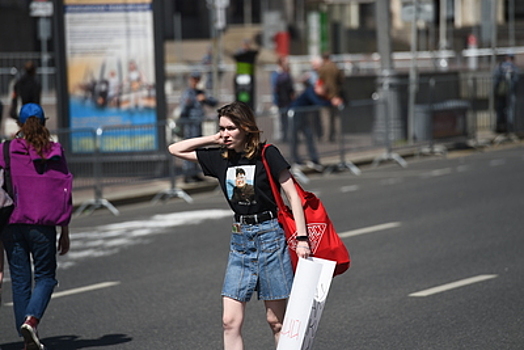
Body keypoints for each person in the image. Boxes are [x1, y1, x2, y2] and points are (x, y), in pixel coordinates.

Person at [168, 101, 310, 350]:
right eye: (222, 128)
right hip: (240, 241)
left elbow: (292, 195)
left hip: (270, 238)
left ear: (246, 127)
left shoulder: (267, 154)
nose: (225, 133)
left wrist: (302, 239)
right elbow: (175, 148)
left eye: (231, 128)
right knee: (229, 321)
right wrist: (214, 137)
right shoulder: (220, 158)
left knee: (276, 321)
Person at [0, 103, 72, 350]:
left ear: (20, 124)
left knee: (20, 281)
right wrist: (65, 230)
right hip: (43, 224)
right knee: (46, 277)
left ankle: (26, 338)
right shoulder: (54, 150)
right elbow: (64, 190)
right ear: (44, 122)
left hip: (10, 221)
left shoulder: (7, 149)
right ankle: (31, 321)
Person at [179, 71, 218, 183]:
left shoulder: (200, 92)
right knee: (189, 146)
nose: (196, 81)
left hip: (197, 123)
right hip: (189, 124)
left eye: (197, 79)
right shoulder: (188, 93)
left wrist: (204, 98)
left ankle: (194, 172)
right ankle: (188, 173)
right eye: (194, 79)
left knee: (197, 147)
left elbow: (213, 102)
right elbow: (184, 108)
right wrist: (193, 100)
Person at [317, 52, 345, 142]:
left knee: (326, 118)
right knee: (337, 118)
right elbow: (341, 80)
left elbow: (320, 80)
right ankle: (339, 136)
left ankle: (327, 136)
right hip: (336, 95)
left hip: (326, 95)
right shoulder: (335, 67)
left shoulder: (323, 69)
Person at [270, 56, 295, 142]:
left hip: (284, 101)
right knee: (279, 120)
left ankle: (285, 135)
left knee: (285, 119)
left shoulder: (285, 74)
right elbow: (275, 88)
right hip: (280, 100)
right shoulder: (278, 75)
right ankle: (280, 136)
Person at [493, 54, 519, 134]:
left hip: (501, 92)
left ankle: (500, 127)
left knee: (500, 109)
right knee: (510, 109)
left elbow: (495, 79)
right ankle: (510, 127)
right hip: (511, 92)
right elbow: (517, 79)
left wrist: (495, 90)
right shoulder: (514, 67)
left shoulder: (500, 66)